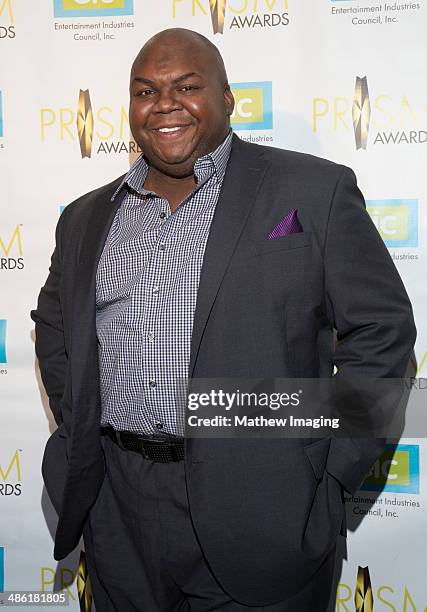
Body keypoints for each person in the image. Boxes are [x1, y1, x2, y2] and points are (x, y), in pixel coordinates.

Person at [31, 28, 416, 611]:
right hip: (117, 510)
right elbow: (56, 328)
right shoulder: (85, 217)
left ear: (229, 98)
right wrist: (83, 419)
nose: (165, 103)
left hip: (265, 510)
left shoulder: (312, 191)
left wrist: (331, 475)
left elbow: (383, 334)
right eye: (145, 90)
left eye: (187, 86)